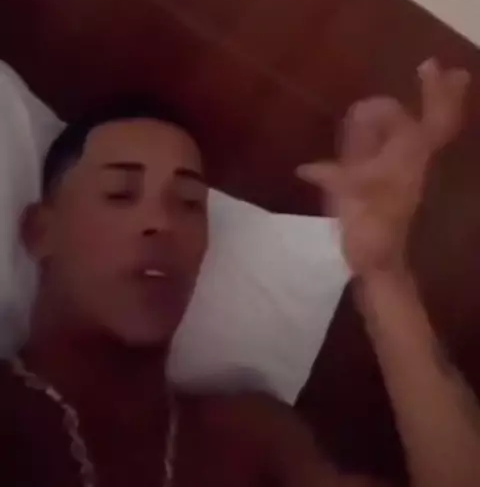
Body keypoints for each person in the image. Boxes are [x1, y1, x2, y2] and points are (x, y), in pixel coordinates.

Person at [0, 60, 479, 486]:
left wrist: (383, 273)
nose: (161, 221)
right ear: (41, 231)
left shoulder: (247, 441)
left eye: (189, 203)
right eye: (120, 194)